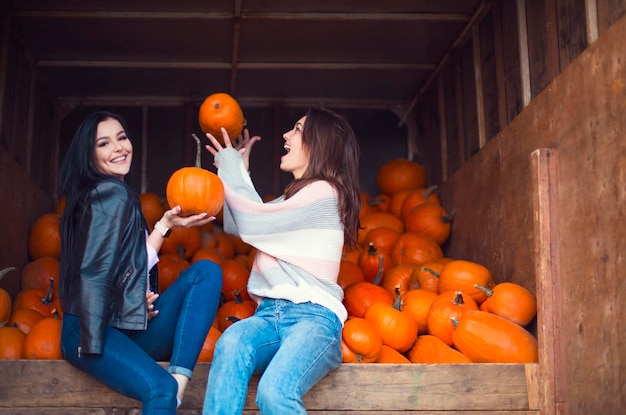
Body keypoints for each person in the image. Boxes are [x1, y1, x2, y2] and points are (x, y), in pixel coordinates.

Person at [57, 110, 223, 414]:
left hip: (124, 329)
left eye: (121, 138)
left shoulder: (110, 194)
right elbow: (93, 272)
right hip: (89, 330)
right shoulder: (110, 193)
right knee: (159, 388)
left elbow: (131, 263)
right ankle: (169, 392)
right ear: (89, 156)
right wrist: (127, 305)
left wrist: (164, 224)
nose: (119, 147)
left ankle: (174, 391)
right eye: (104, 144)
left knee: (205, 272)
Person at [202, 107, 361, 414]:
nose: (286, 135)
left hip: (313, 320)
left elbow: (252, 223)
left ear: (320, 143)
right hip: (269, 316)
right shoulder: (293, 199)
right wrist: (240, 173)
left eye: (298, 130)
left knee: (275, 392)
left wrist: (232, 167)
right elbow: (239, 225)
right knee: (231, 342)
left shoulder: (324, 193)